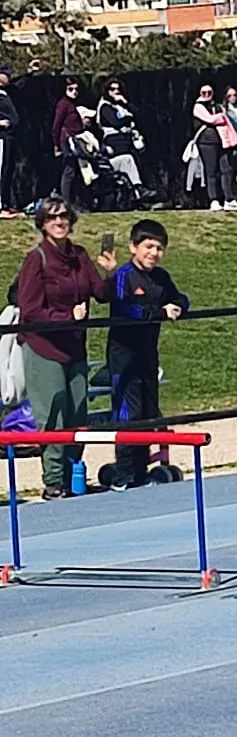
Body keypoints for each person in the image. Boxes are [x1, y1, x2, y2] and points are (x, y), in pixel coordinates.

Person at [13, 199, 115, 497]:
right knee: (54, 414)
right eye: (52, 218)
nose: (59, 222)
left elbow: (100, 294)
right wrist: (66, 317)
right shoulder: (37, 260)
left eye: (64, 217)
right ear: (43, 224)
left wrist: (109, 273)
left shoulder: (79, 256)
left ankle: (74, 474)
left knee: (78, 414)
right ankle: (53, 481)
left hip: (75, 346)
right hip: (44, 347)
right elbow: (29, 310)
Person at [103, 219, 190, 489]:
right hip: (123, 358)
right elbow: (125, 308)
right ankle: (126, 473)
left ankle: (141, 471)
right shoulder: (124, 276)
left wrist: (177, 307)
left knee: (149, 413)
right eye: (148, 246)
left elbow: (181, 298)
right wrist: (159, 312)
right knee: (129, 414)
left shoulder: (160, 277)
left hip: (148, 356)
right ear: (133, 247)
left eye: (159, 248)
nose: (154, 253)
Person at [94, 79, 146, 197]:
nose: (116, 92)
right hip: (115, 143)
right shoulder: (105, 107)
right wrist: (129, 118)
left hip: (128, 142)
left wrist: (126, 103)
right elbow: (115, 122)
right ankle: (138, 191)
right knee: (127, 164)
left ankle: (139, 193)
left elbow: (138, 115)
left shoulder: (122, 105)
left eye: (118, 89)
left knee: (134, 165)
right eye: (112, 89)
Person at [191, 85, 230, 211]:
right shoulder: (198, 106)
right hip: (206, 142)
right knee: (211, 171)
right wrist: (220, 117)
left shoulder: (217, 105)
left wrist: (220, 117)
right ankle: (213, 199)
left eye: (209, 92)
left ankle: (228, 198)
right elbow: (211, 119)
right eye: (204, 92)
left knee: (225, 169)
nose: (207, 94)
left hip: (221, 141)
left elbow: (224, 117)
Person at [0, 65, 17, 217]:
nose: (8, 78)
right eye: (6, 75)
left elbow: (20, 84)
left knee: (7, 171)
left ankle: (6, 204)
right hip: (1, 137)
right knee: (1, 170)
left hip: (10, 137)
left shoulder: (6, 92)